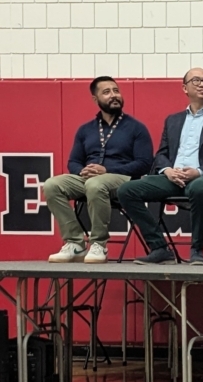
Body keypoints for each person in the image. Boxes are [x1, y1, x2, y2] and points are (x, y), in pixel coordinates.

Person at [118, 67, 203, 265]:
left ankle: (197, 250)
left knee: (198, 186)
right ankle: (159, 247)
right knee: (127, 190)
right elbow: (161, 154)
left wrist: (198, 172)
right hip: (174, 178)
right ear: (185, 88)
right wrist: (167, 171)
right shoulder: (173, 120)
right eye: (197, 80)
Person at [44, 76, 154, 264]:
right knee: (52, 185)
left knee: (96, 184)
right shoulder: (85, 130)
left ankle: (98, 243)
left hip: (123, 179)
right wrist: (83, 172)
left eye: (116, 91)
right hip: (89, 178)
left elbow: (144, 163)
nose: (114, 95)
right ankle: (75, 242)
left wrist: (106, 169)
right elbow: (74, 161)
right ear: (95, 100)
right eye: (107, 92)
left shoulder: (136, 128)